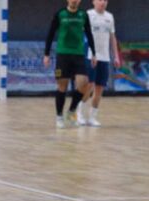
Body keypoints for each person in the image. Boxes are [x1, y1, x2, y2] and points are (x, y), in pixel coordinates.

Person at [44, 0, 97, 129]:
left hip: (78, 54)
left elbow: (89, 34)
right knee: (62, 86)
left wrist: (94, 53)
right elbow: (51, 33)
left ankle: (72, 110)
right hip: (63, 54)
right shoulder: (60, 14)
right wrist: (46, 54)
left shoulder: (83, 15)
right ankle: (59, 117)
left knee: (84, 83)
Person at [81, 0, 120, 127]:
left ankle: (92, 117)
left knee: (99, 88)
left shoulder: (110, 17)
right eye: (99, 0)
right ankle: (79, 113)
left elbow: (112, 37)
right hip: (90, 56)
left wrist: (116, 56)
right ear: (93, 2)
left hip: (105, 57)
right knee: (89, 85)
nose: (102, 2)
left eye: (105, 0)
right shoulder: (87, 15)